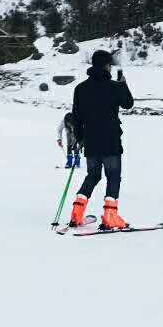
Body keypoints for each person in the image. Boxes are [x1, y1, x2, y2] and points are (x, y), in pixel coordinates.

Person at [68, 50, 134, 230]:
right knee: (113, 177)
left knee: (93, 175)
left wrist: (80, 138)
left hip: (91, 140)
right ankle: (110, 216)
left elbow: (76, 117)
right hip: (111, 140)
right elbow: (128, 104)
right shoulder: (114, 86)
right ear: (106, 66)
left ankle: (77, 212)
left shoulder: (80, 89)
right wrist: (123, 84)